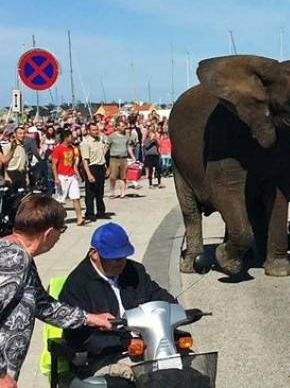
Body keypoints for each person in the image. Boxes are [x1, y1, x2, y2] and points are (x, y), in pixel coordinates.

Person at [0, 195, 113, 386]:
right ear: (49, 233)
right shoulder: (13, 262)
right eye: (62, 230)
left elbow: (43, 305)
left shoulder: (21, 257)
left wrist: (90, 318)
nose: (59, 238)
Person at [59, 222, 178, 383]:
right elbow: (80, 338)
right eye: (114, 259)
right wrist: (125, 342)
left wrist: (174, 308)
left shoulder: (135, 271)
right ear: (94, 254)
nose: (121, 262)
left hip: (149, 343)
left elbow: (157, 294)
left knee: (190, 374)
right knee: (151, 379)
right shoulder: (77, 285)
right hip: (105, 356)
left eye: (124, 256)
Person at [51, 130, 86, 226]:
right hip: (62, 176)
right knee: (60, 200)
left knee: (76, 197)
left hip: (71, 176)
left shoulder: (72, 148)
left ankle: (79, 218)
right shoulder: (58, 149)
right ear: (66, 138)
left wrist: (78, 175)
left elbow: (74, 164)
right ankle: (58, 221)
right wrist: (56, 178)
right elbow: (54, 165)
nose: (72, 138)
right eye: (71, 137)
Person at [81, 123, 109, 221]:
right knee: (90, 193)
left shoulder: (99, 141)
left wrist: (105, 167)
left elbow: (102, 155)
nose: (96, 131)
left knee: (100, 192)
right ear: (88, 131)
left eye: (97, 130)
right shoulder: (85, 143)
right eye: (93, 130)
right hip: (92, 168)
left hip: (101, 167)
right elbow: (85, 160)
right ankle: (90, 213)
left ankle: (101, 212)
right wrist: (89, 174)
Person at [107, 121, 135, 198]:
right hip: (114, 159)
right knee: (113, 177)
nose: (123, 128)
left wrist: (132, 156)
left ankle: (123, 193)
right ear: (117, 127)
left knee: (123, 177)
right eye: (122, 126)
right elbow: (107, 147)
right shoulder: (112, 136)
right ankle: (112, 192)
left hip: (124, 158)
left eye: (124, 126)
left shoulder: (126, 136)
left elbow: (129, 147)